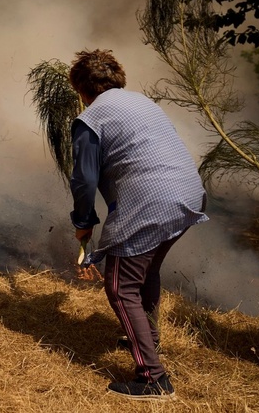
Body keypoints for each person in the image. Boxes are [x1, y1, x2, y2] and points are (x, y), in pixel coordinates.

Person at [67, 49, 207, 401]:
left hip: (153, 201)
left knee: (119, 287)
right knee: (146, 269)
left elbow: (84, 179)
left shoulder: (91, 118)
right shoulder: (142, 103)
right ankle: (148, 337)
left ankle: (153, 378)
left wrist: (84, 223)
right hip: (189, 193)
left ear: (81, 88)